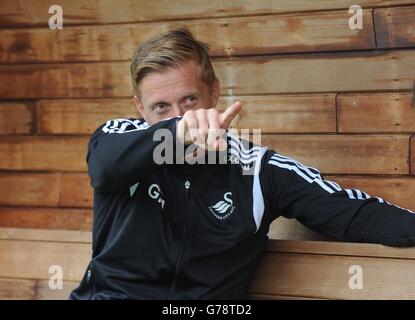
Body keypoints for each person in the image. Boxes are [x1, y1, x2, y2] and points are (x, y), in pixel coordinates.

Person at [70, 28, 415, 300]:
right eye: (161, 107)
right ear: (140, 108)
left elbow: (353, 212)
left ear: (215, 93)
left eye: (190, 100)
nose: (179, 117)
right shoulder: (119, 138)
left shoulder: (258, 170)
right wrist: (180, 131)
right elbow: (103, 167)